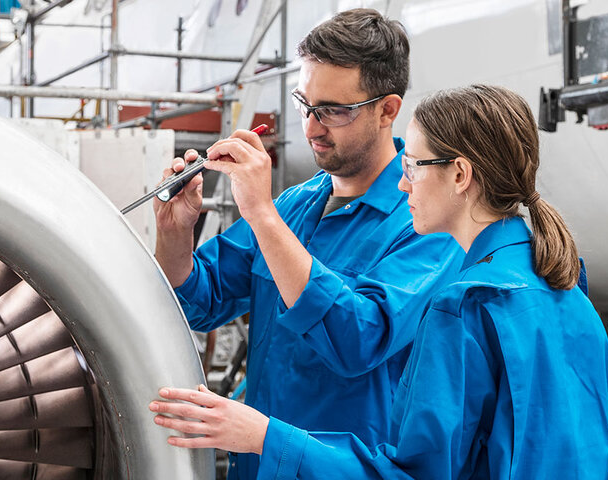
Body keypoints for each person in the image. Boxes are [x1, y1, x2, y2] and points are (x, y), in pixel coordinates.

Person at [150, 85, 608, 479]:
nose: (402, 183)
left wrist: (263, 436)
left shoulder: (465, 306)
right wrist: (175, 234)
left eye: (413, 166)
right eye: (305, 104)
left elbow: (412, 473)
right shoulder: (564, 288)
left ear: (460, 174)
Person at [151, 8, 463, 479]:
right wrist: (175, 232)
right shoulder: (295, 206)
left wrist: (259, 213)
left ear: (387, 110)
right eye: (305, 104)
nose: (312, 128)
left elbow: (357, 340)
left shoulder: (425, 223)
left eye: (333, 111)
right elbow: (197, 300)